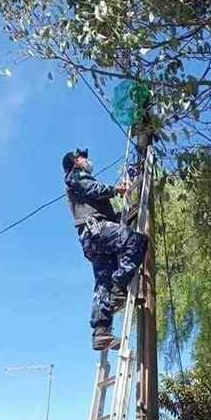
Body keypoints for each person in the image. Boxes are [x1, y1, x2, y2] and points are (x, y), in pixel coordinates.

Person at [63, 148, 148, 351]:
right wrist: (115, 189)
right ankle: (119, 288)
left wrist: (127, 214)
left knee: (103, 283)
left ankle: (101, 332)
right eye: (83, 157)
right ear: (75, 161)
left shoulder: (80, 190)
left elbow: (106, 215)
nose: (87, 160)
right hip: (96, 231)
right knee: (136, 241)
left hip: (92, 238)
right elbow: (93, 189)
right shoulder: (75, 176)